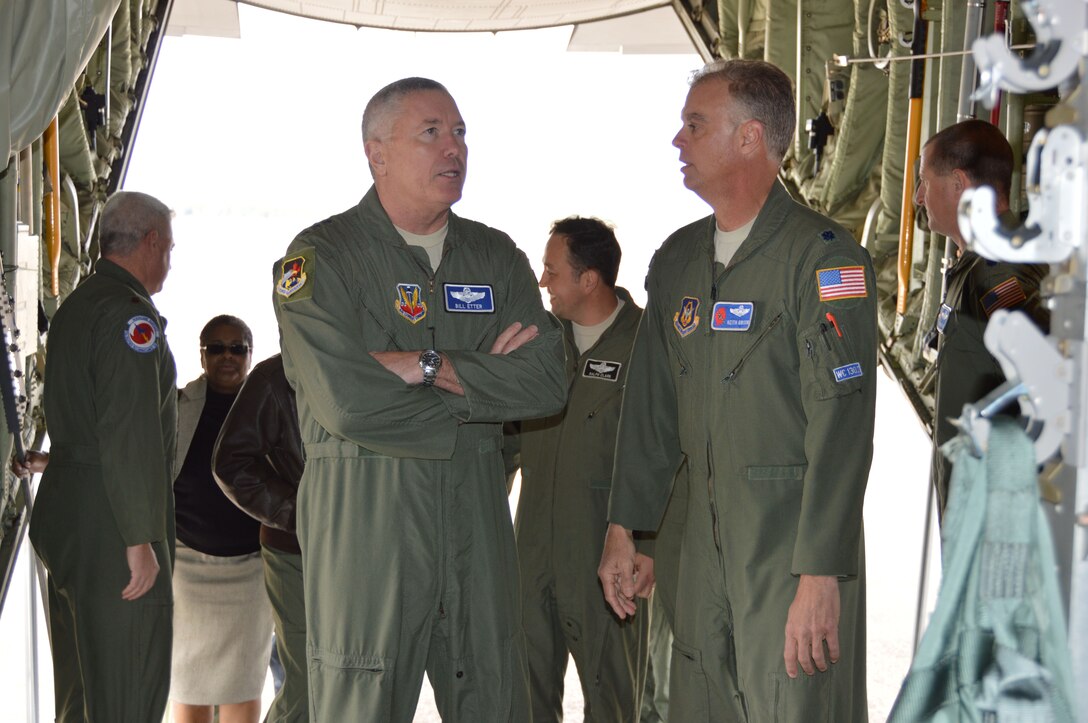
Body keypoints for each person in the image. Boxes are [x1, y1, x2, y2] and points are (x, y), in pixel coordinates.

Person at [272, 76, 566, 722]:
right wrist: (481, 382)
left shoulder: (495, 257)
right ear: (376, 152)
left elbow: (547, 382)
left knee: (495, 695)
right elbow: (346, 400)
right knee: (359, 699)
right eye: (431, 133)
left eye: (460, 133)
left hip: (476, 520)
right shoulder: (320, 259)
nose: (453, 148)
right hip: (366, 524)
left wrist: (426, 366)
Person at [597, 59, 876, 723]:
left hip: (789, 546)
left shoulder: (827, 259)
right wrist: (624, 527)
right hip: (695, 545)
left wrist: (821, 574)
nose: (678, 141)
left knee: (796, 703)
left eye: (695, 124)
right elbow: (650, 409)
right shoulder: (677, 259)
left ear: (749, 138)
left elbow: (843, 422)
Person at [25, 190, 178, 722]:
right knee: (127, 695)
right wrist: (139, 538)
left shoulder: (77, 304)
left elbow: (81, 414)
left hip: (68, 510)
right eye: (170, 249)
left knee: (79, 696)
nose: (168, 262)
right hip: (114, 527)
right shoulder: (129, 317)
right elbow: (128, 428)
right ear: (151, 242)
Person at [509, 216, 649, 721]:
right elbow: (503, 445)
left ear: (589, 280)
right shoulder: (539, 344)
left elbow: (671, 458)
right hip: (532, 559)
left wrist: (650, 549)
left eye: (552, 270)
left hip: (608, 563)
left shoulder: (648, 347)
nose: (542, 282)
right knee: (524, 701)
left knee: (612, 703)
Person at [914, 119, 1049, 521]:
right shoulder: (977, 268)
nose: (920, 197)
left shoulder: (997, 272)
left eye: (925, 182)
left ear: (958, 184)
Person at [170, 315, 272, 723]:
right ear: (202, 354)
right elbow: (130, 457)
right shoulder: (175, 406)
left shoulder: (271, 404)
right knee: (187, 685)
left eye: (237, 347)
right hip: (187, 569)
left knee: (243, 685)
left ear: (250, 353)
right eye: (216, 348)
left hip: (251, 571)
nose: (227, 356)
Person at [213, 352, 307, 723]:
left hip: (375, 548)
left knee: (364, 677)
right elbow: (232, 464)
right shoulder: (276, 378)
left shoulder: (394, 363)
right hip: (296, 552)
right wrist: (305, 513)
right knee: (306, 685)